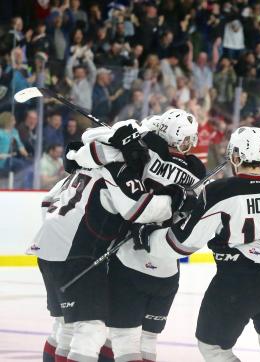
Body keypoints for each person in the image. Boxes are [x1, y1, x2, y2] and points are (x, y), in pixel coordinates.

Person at [132, 126, 260, 361]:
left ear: (235, 156)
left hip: (233, 287)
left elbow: (182, 245)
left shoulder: (219, 192)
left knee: (212, 348)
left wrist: (148, 236)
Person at [29, 121, 199, 362]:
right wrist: (176, 198)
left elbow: (48, 203)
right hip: (78, 253)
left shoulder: (78, 172)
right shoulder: (116, 169)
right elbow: (138, 210)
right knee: (92, 331)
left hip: (47, 248)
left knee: (64, 327)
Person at [72, 109, 205, 362]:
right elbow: (192, 216)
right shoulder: (197, 171)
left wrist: (120, 138)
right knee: (147, 340)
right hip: (166, 267)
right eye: (187, 139)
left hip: (130, 256)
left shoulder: (145, 148)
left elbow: (86, 151)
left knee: (122, 337)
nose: (190, 145)